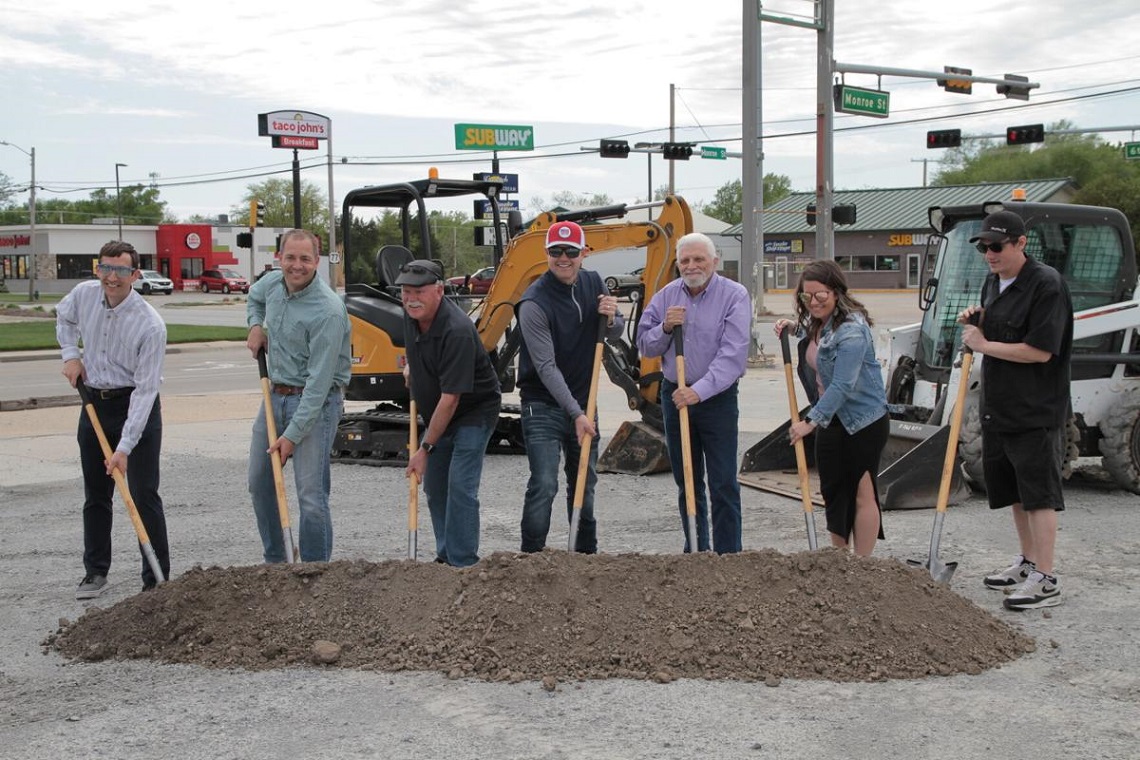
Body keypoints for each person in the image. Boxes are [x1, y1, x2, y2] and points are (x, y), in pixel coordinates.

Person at [959, 210, 1072, 611]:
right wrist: (979, 321)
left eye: (997, 246)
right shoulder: (995, 283)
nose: (989, 253)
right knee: (1016, 493)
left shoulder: (1046, 286)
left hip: (1035, 409)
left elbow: (1040, 351)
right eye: (984, 247)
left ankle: (1046, 577)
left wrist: (983, 345)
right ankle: (1027, 563)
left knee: (1039, 495)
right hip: (999, 406)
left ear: (1021, 244)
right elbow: (996, 329)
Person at [56, 240, 170, 599]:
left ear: (135, 275)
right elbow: (64, 317)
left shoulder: (150, 326)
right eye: (105, 267)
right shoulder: (83, 294)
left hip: (136, 408)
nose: (112, 277)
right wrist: (71, 355)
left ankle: (156, 580)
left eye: (121, 270)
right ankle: (95, 572)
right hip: (94, 404)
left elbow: (145, 392)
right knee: (96, 494)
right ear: (97, 269)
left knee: (142, 493)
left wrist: (123, 448)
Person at [638, 232, 750, 553]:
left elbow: (733, 356)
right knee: (687, 481)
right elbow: (645, 344)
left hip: (716, 399)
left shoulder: (734, 296)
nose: (691, 266)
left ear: (714, 262)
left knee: (723, 482)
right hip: (675, 397)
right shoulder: (665, 297)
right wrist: (664, 328)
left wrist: (697, 392)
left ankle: (729, 555)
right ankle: (697, 549)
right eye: (685, 260)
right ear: (677, 264)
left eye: (699, 259)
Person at [516, 221, 623, 554]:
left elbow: (613, 333)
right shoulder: (534, 302)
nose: (563, 258)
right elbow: (546, 367)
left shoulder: (593, 282)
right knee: (544, 484)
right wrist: (576, 413)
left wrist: (614, 317)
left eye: (571, 252)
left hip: (583, 403)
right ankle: (531, 557)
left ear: (583, 253)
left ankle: (584, 558)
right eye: (556, 252)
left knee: (584, 484)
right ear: (546, 253)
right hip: (543, 406)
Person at [246, 229, 351, 563]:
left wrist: (291, 437)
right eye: (290, 257)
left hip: (316, 405)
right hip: (274, 396)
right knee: (260, 485)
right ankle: (277, 564)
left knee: (311, 496)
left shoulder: (328, 312)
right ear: (279, 258)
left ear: (316, 262)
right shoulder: (273, 285)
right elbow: (254, 297)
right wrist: (255, 325)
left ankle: (315, 573)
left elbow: (318, 387)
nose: (297, 265)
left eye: (305, 259)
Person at [774, 259, 890, 557]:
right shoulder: (819, 323)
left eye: (820, 296)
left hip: (862, 422)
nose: (813, 302)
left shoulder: (852, 331)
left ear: (836, 292)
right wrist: (793, 327)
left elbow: (842, 384)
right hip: (831, 418)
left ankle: (861, 565)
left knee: (862, 491)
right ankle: (839, 560)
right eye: (806, 296)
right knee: (833, 491)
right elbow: (818, 343)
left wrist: (808, 422)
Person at [399, 259, 501, 567]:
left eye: (418, 290)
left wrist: (425, 448)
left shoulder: (456, 329)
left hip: (473, 410)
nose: (410, 297)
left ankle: (463, 563)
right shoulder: (411, 315)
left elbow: (451, 399)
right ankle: (446, 554)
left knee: (460, 485)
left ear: (439, 291)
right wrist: (412, 367)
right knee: (435, 485)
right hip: (440, 411)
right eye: (405, 291)